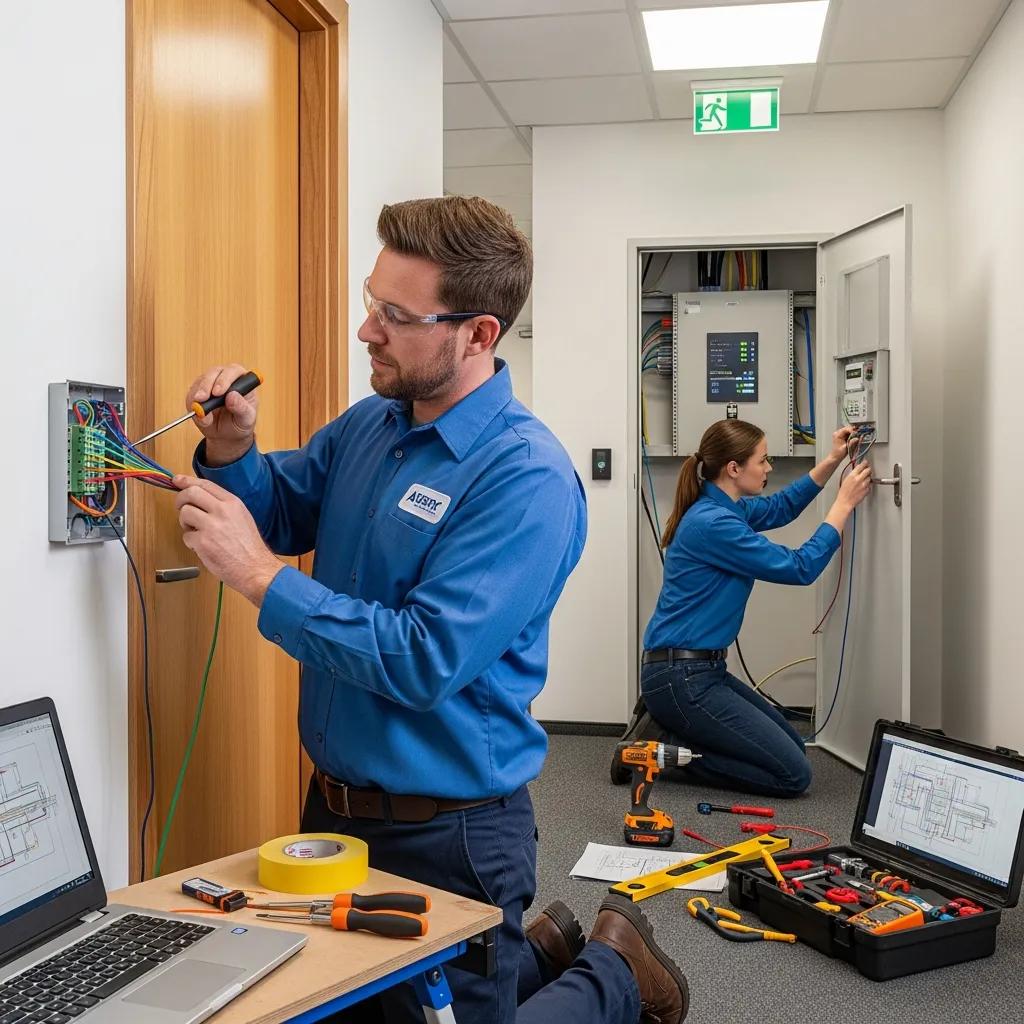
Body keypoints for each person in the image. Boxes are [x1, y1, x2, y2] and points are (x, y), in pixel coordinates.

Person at [172, 197, 689, 1024]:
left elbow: (422, 658)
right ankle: (538, 953)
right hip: (332, 816)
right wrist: (234, 449)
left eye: (395, 316)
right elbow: (277, 512)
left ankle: (616, 972)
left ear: (478, 335)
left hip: (452, 836)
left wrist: (263, 579)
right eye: (372, 302)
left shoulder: (525, 478)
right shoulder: (371, 426)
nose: (366, 331)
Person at [616, 418, 872, 797]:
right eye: (763, 461)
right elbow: (800, 568)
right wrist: (843, 505)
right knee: (793, 775)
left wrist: (834, 459)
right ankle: (655, 751)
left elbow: (782, 507)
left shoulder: (724, 507)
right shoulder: (713, 524)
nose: (769, 468)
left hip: (702, 671)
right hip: (681, 678)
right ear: (734, 469)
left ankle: (671, 733)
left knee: (792, 745)